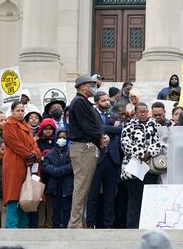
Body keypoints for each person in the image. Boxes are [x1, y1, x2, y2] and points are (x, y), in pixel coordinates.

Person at [68, 75, 109, 228]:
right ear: (83, 86)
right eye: (92, 84)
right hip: (82, 149)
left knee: (84, 188)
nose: (95, 86)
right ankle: (75, 224)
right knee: (81, 187)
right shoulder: (79, 102)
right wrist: (100, 137)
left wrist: (100, 137)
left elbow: (93, 124)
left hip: (87, 148)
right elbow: (87, 125)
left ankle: (79, 222)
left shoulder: (84, 102)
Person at [121, 102, 162, 228]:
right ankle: (132, 227)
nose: (143, 113)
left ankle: (149, 225)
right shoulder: (128, 126)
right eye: (140, 111)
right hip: (134, 168)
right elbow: (125, 145)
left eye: (145, 111)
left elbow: (161, 143)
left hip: (151, 168)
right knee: (134, 199)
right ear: (136, 112)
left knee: (150, 198)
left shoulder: (156, 126)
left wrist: (149, 152)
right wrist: (141, 153)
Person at [87, 91, 122, 229]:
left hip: (112, 160)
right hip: (95, 159)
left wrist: (103, 129)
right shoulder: (91, 115)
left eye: (108, 100)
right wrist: (109, 129)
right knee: (93, 194)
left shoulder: (114, 115)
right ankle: (90, 223)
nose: (107, 102)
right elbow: (91, 129)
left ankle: (108, 225)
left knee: (110, 196)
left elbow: (120, 130)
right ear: (96, 102)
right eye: (103, 100)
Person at [2, 100, 40, 228]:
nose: (20, 113)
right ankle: (12, 225)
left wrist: (34, 153)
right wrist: (29, 154)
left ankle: (24, 225)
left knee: (24, 194)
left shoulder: (26, 125)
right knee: (13, 195)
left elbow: (34, 144)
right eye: (17, 110)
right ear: (12, 111)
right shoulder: (9, 125)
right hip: (13, 163)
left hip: (25, 163)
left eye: (22, 110)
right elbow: (14, 143)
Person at [42, 128, 73, 228]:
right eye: (60, 137)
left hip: (67, 186)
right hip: (54, 187)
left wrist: (58, 171)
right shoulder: (50, 153)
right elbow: (46, 166)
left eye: (64, 137)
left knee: (67, 210)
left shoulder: (71, 153)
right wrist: (56, 171)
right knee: (55, 210)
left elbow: (72, 166)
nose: (62, 139)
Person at [35, 118, 58, 228]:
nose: (48, 131)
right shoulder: (38, 142)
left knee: (50, 200)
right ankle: (40, 224)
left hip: (52, 174)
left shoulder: (56, 143)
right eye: (45, 129)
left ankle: (50, 224)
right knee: (41, 199)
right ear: (41, 130)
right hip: (40, 173)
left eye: (50, 129)